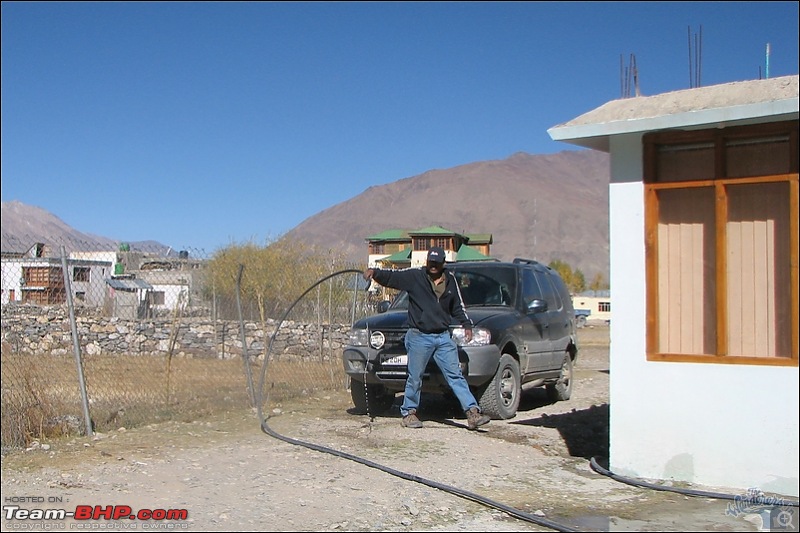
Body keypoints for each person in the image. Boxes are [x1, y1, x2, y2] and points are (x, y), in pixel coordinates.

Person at [363, 246, 491, 430]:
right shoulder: (415, 277)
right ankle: (409, 413)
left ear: (442, 264)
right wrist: (374, 272)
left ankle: (472, 412)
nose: (433, 266)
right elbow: (393, 277)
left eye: (436, 263)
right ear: (427, 262)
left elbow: (457, 307)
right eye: (430, 262)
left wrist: (466, 324)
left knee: (455, 375)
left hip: (443, 337)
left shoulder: (451, 280)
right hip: (419, 336)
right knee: (415, 377)